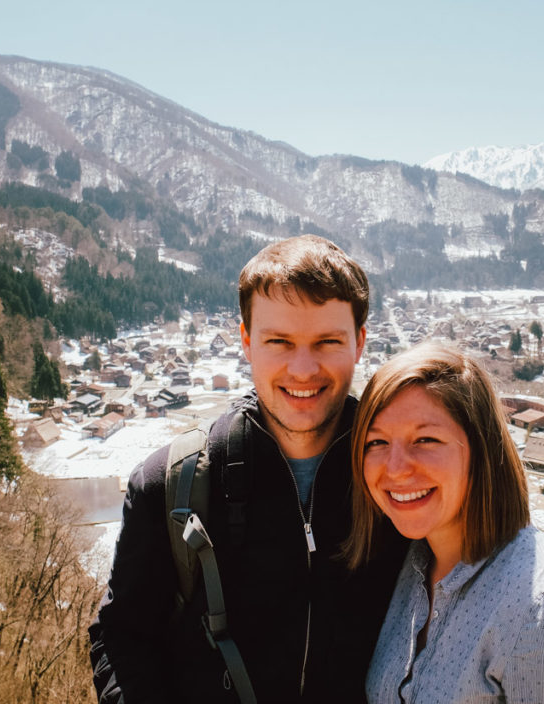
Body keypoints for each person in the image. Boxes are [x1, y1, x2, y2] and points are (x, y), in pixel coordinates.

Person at [89, 235, 406, 703]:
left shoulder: (402, 479)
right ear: (246, 341)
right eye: (279, 341)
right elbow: (123, 638)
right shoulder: (172, 485)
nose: (303, 369)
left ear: (359, 342)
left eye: (327, 341)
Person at [346, 342, 544, 704]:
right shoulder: (414, 562)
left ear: (482, 450)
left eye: (426, 439)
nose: (396, 467)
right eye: (377, 441)